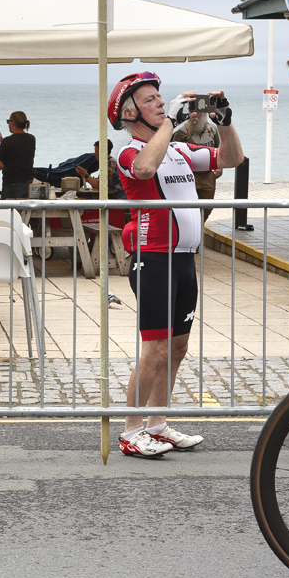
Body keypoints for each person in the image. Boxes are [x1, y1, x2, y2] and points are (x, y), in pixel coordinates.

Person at [108, 71, 244, 458]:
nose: (160, 103)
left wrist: (226, 123)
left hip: (184, 260)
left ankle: (158, 424)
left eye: (160, 97)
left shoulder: (180, 150)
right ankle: (131, 430)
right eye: (151, 100)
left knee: (178, 347)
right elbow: (146, 170)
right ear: (130, 112)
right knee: (155, 349)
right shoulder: (127, 150)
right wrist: (170, 123)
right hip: (153, 259)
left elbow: (232, 159)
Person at [171, 106, 222, 221]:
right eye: (191, 111)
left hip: (208, 175)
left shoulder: (212, 130)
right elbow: (172, 154)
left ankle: (199, 230)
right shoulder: (181, 132)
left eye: (198, 112)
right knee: (188, 208)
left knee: (207, 206)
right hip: (189, 175)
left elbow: (218, 148)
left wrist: (220, 166)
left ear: (203, 114)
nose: (194, 115)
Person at [0, 111, 36, 199]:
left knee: (9, 210)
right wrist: (3, 143)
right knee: (24, 210)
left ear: (13, 123)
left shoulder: (8, 141)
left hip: (11, 182)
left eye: (8, 121)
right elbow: (19, 150)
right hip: (28, 180)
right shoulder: (31, 139)